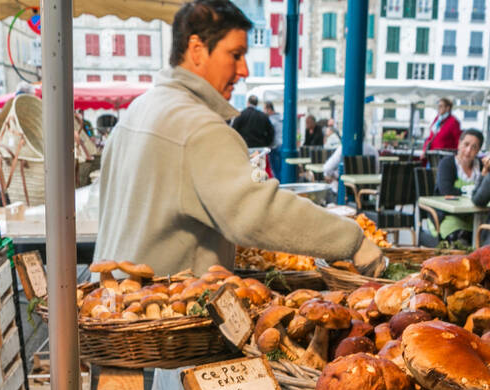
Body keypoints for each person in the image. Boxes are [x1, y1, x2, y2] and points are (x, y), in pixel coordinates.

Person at [95, 0, 382, 277]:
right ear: (196, 50)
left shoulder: (139, 109)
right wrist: (352, 240)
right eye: (235, 55)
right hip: (161, 316)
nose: (244, 70)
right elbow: (257, 211)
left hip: (111, 305)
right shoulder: (198, 127)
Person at [432, 128, 484, 243]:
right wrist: (470, 192)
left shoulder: (480, 166)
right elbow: (446, 190)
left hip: (475, 217)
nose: (468, 150)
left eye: (474, 147)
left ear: (478, 150)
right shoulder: (447, 163)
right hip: (449, 217)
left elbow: (486, 190)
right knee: (462, 242)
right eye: (466, 144)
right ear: (459, 144)